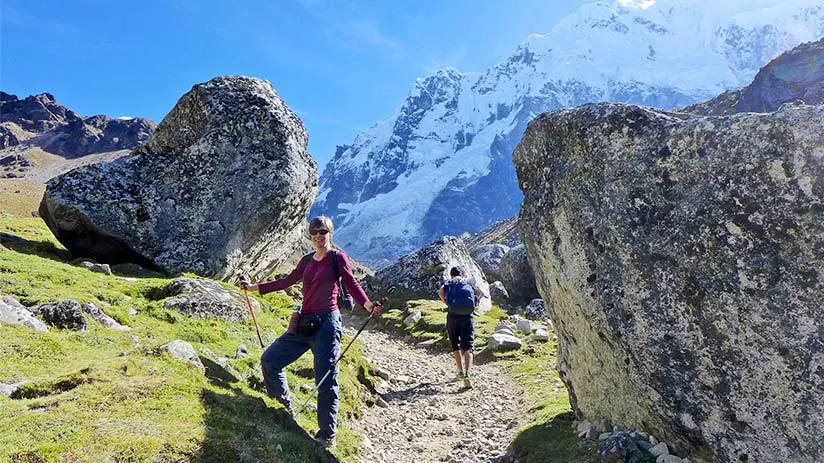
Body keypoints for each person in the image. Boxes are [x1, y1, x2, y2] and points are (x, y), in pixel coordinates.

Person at [239, 216, 381, 449]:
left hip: (327, 324)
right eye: (314, 232)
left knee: (325, 378)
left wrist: (368, 306)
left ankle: (327, 435)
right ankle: (283, 412)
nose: (317, 235)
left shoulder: (337, 258)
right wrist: (254, 288)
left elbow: (352, 283)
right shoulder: (306, 261)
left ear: (330, 233)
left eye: (322, 231)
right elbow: (287, 281)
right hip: (303, 322)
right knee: (270, 360)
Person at [438, 266, 487, 389]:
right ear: (462, 274)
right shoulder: (468, 284)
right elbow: (481, 293)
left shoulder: (448, 284)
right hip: (467, 317)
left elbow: (441, 292)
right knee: (468, 347)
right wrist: (476, 301)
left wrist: (447, 303)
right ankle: (467, 374)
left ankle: (460, 371)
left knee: (455, 344)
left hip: (453, 316)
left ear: (451, 275)